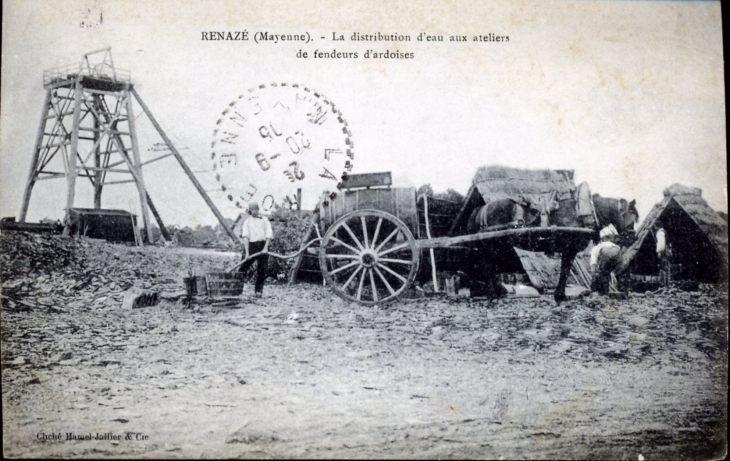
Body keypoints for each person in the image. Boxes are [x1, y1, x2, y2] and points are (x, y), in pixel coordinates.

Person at [238, 202, 273, 297]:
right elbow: (245, 237)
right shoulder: (247, 222)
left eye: (255, 210)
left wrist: (265, 248)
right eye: (252, 210)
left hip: (262, 245)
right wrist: (247, 253)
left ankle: (258, 291)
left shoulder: (265, 220)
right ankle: (237, 288)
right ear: (249, 211)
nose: (254, 212)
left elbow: (268, 235)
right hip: (251, 246)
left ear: (258, 210)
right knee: (242, 268)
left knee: (262, 270)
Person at [590, 224, 622, 294]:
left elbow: (593, 262)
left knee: (602, 273)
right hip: (617, 251)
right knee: (613, 273)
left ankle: (601, 292)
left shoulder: (596, 247)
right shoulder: (613, 243)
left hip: (606, 252)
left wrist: (593, 274)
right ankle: (620, 289)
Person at [655, 221, 670, 286]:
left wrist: (659, 252)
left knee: (663, 267)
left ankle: (663, 284)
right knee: (666, 267)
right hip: (666, 252)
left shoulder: (660, 233)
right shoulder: (664, 232)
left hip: (664, 252)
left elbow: (661, 244)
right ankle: (666, 283)